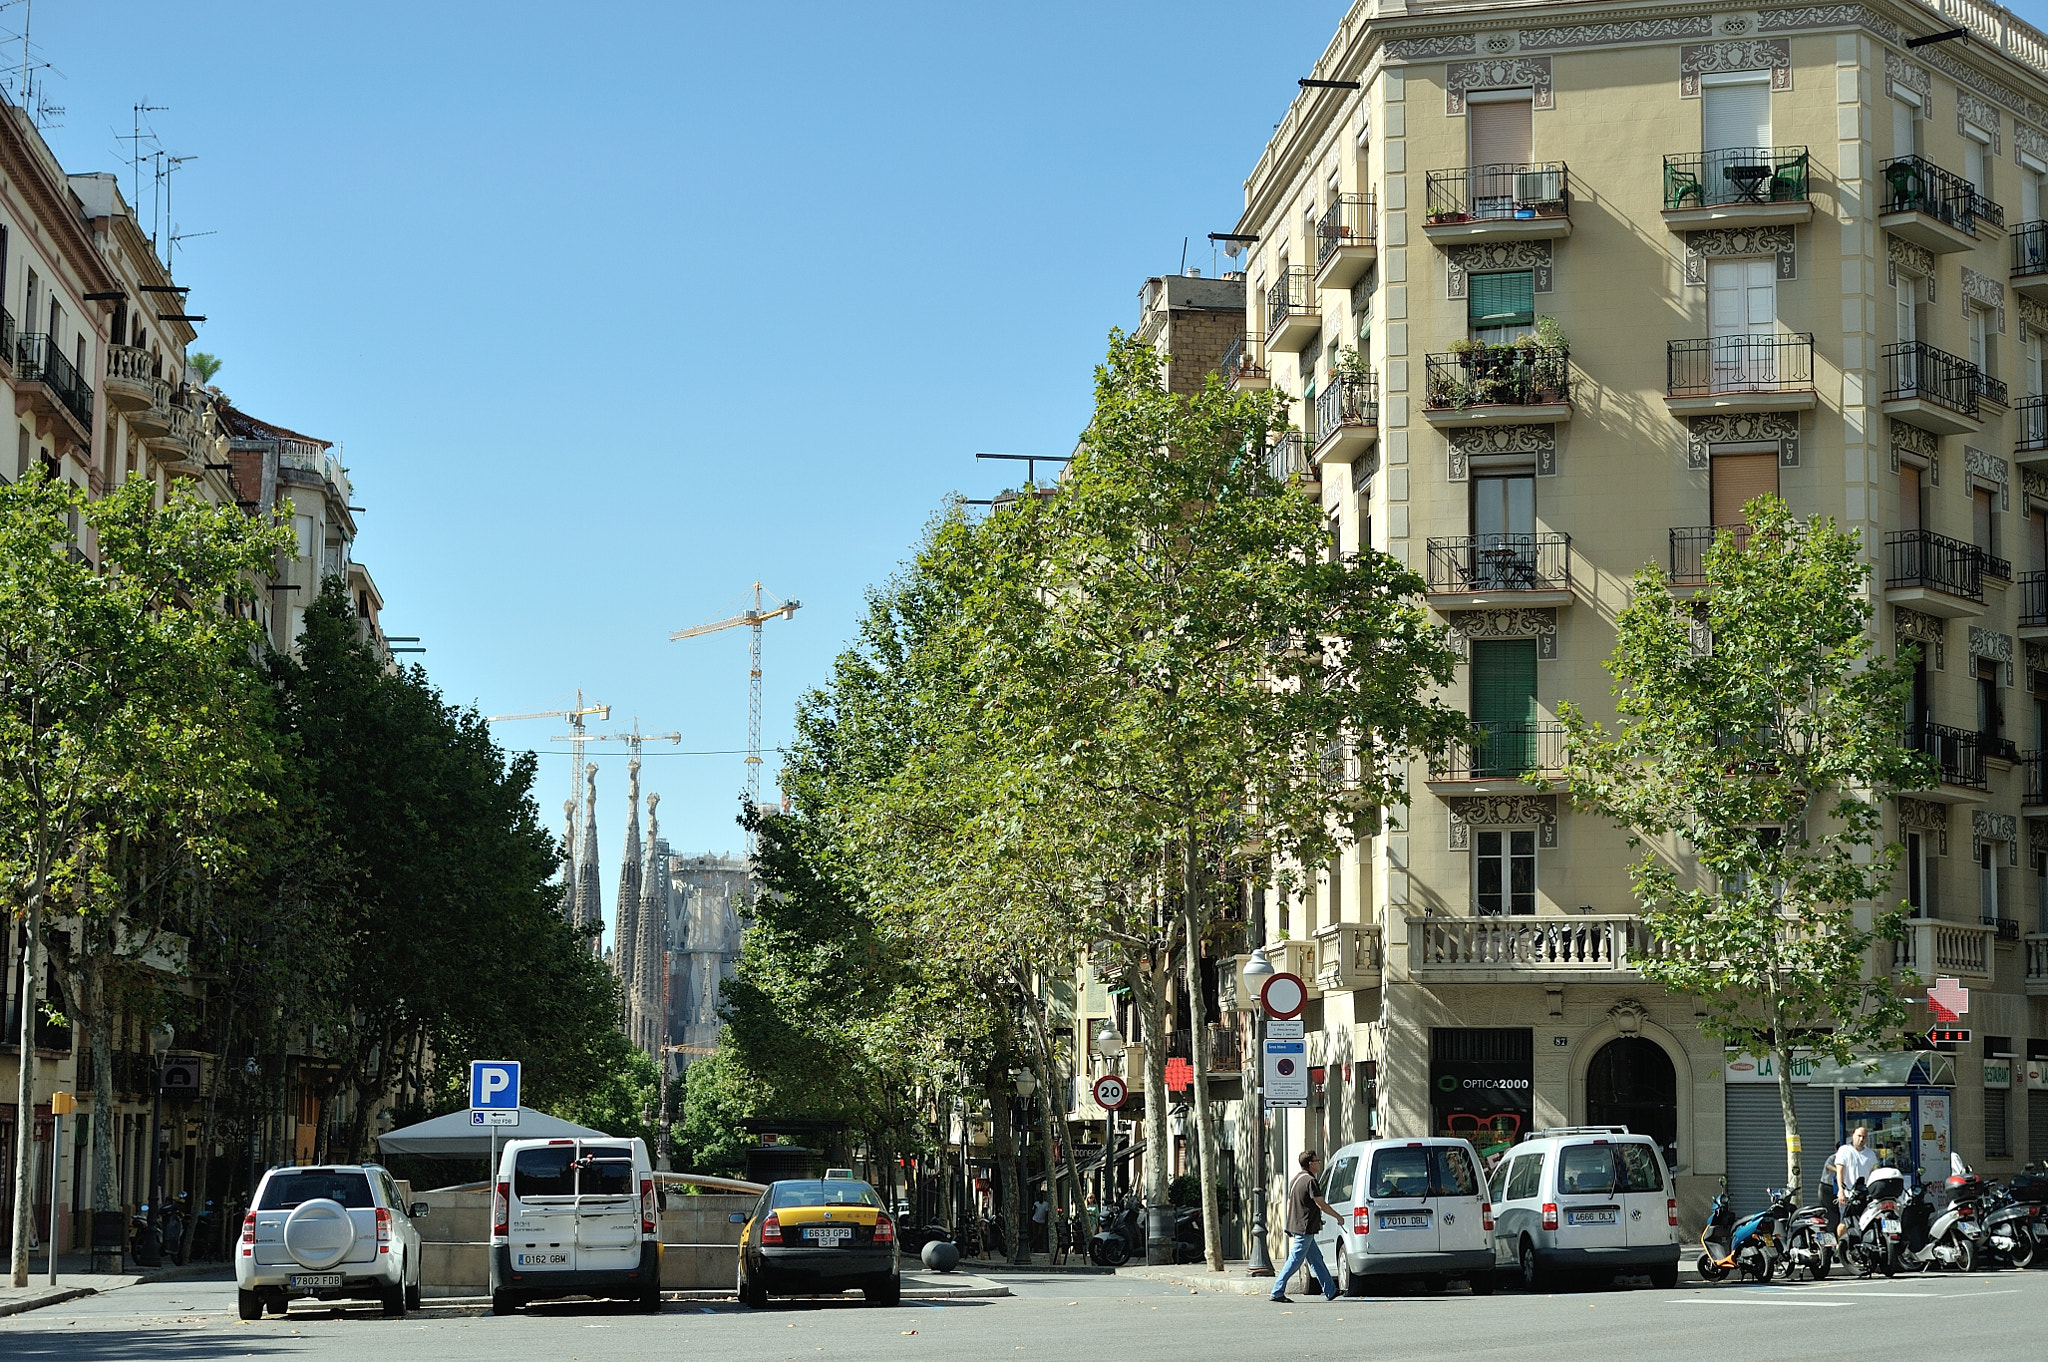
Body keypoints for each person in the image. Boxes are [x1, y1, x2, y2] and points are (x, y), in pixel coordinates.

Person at [1270, 1149, 1342, 1304]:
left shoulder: (1296, 1179)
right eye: (1317, 1161)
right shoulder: (1310, 1181)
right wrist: (1338, 1217)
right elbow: (1321, 1204)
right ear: (1310, 1164)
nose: (1319, 1163)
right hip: (1305, 1227)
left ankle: (1330, 1290)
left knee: (1316, 1259)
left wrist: (1290, 1225)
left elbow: (1291, 1204)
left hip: (1298, 1226)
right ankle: (1277, 1290)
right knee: (1295, 1260)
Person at [1830, 1125, 1877, 1231]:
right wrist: (1841, 1192)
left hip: (1865, 1196)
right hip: (1848, 1195)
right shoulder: (1844, 1150)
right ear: (1853, 1135)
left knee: (1867, 1223)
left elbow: (1874, 1174)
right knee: (1845, 1223)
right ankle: (1840, 1245)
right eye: (1859, 1136)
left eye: (1864, 1137)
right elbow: (1839, 1172)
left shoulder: (1871, 1154)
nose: (1861, 1139)